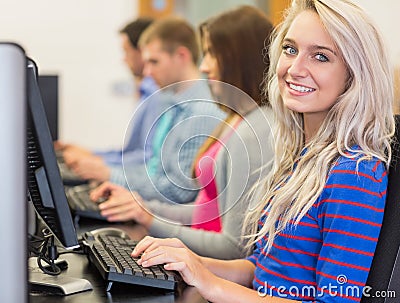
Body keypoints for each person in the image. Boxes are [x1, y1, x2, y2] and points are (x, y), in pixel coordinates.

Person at [129, 0, 396, 302]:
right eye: (290, 49)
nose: (294, 69)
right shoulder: (301, 157)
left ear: (354, 75)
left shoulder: (355, 174)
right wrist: (191, 262)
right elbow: (264, 269)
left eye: (320, 57)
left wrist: (211, 284)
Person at [90, 6, 275, 259]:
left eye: (211, 54)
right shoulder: (235, 120)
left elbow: (234, 247)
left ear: (237, 59)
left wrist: (148, 219)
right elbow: (205, 211)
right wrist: (144, 210)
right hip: (202, 259)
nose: (205, 66)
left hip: (211, 269)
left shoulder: (254, 131)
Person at [89, 17, 225, 203]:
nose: (147, 72)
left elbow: (179, 191)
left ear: (181, 56)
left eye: (154, 62)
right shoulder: (171, 103)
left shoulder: (201, 113)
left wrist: (111, 175)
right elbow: (154, 170)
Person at [59, 17, 159, 175]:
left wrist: (97, 162)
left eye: (126, 52)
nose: (124, 59)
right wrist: (91, 155)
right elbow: (131, 152)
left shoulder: (156, 95)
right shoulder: (146, 92)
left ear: (141, 51)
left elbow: (147, 158)